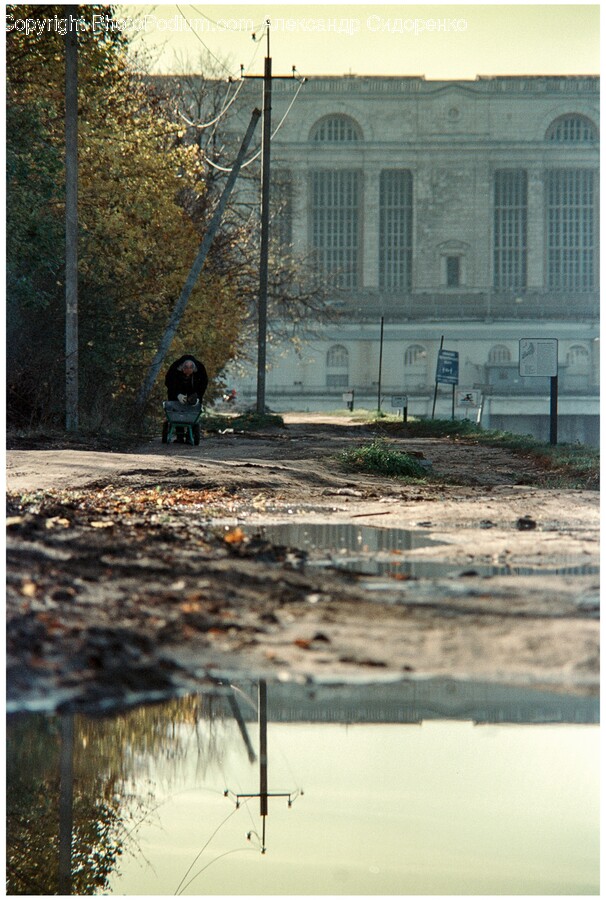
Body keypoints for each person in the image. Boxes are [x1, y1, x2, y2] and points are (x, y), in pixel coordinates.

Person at [165, 354, 209, 443]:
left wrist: (198, 397)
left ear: (193, 369)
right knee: (177, 408)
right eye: (186, 372)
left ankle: (190, 435)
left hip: (193, 389)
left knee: (193, 409)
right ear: (182, 368)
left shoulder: (200, 369)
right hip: (177, 389)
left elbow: (203, 384)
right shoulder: (174, 368)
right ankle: (179, 435)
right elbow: (168, 382)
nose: (187, 374)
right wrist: (178, 395)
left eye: (190, 372)